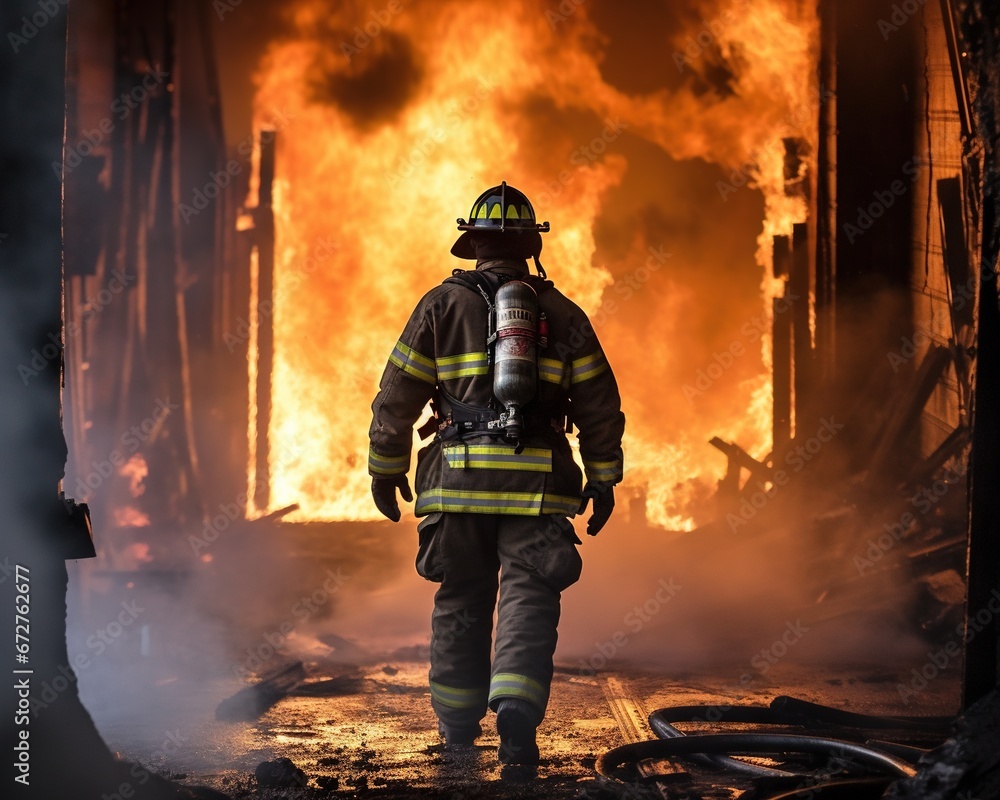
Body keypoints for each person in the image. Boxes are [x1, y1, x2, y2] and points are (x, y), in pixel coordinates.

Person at [367, 181, 625, 765]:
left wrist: (386, 468)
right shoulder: (563, 315)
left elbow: (396, 397)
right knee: (529, 597)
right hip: (536, 489)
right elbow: (599, 407)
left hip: (455, 485)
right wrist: (603, 479)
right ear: (532, 245)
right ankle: (515, 715)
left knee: (461, 597)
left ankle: (458, 730)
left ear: (473, 244)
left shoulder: (439, 305)